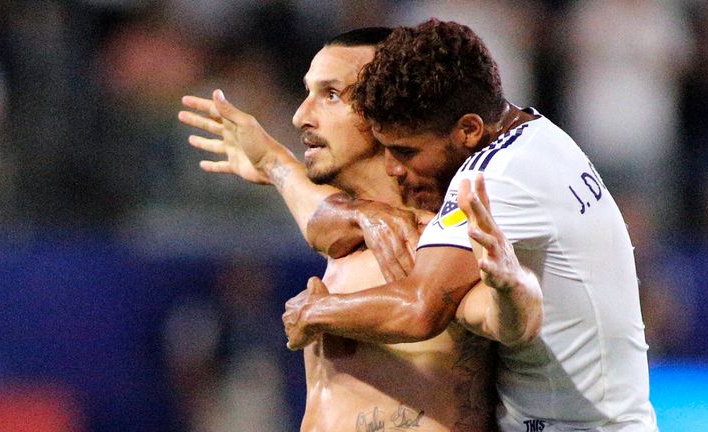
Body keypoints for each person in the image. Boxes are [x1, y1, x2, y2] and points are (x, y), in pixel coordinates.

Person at [280, 20, 658, 431]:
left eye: (406, 151)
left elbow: (421, 308)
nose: (395, 168)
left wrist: (315, 311)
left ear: (469, 130)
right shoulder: (533, 134)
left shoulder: (492, 180)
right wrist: (272, 163)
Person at [179, 27, 543, 431]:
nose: (300, 115)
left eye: (331, 94)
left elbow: (508, 320)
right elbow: (323, 217)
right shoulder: (358, 229)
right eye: (307, 92)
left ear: (387, 108)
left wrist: (513, 287)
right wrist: (272, 161)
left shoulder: (439, 242)